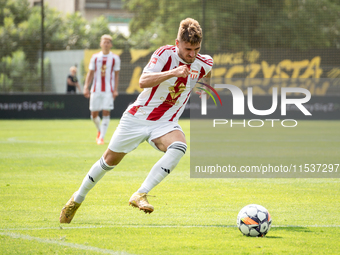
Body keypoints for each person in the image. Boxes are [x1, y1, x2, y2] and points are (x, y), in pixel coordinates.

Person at [59, 18, 213, 224]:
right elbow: (143, 81)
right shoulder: (163, 54)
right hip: (137, 118)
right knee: (108, 161)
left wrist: (203, 90)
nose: (192, 54)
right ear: (177, 43)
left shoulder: (203, 62)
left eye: (196, 49)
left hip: (165, 123)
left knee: (179, 146)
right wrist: (173, 72)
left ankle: (140, 194)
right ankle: (76, 199)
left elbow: (207, 72)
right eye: (187, 49)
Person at [83, 34, 121, 145]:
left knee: (106, 111)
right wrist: (86, 86)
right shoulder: (95, 57)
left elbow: (116, 75)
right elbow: (90, 73)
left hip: (108, 90)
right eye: (104, 42)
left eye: (108, 42)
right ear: (100, 43)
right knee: (93, 115)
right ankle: (99, 130)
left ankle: (102, 138)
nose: (106, 44)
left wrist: (115, 89)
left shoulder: (115, 58)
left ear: (111, 44)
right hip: (95, 89)